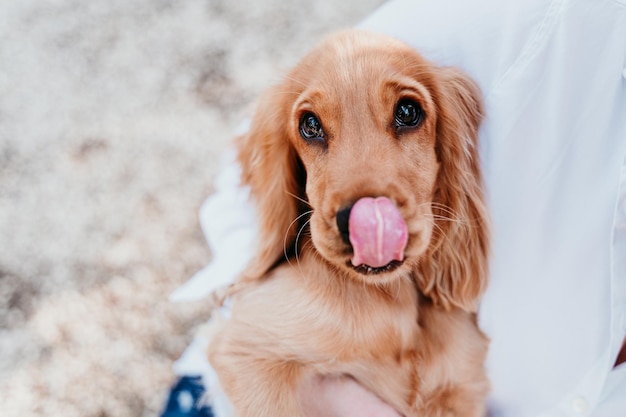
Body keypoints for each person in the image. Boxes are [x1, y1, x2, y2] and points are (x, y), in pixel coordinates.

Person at [165, 0, 626, 416]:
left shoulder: (457, 336)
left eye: (406, 115)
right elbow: (240, 187)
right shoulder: (529, 22)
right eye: (312, 127)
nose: (366, 198)